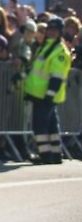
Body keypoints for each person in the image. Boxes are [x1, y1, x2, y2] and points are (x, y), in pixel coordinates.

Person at [22, 16, 71, 165]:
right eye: (49, 29)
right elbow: (36, 67)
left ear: (60, 32)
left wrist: (50, 95)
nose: (51, 32)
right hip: (39, 93)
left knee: (40, 125)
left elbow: (57, 76)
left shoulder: (59, 51)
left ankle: (45, 155)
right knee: (51, 125)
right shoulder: (45, 47)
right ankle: (55, 154)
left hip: (45, 95)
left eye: (55, 30)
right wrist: (21, 75)